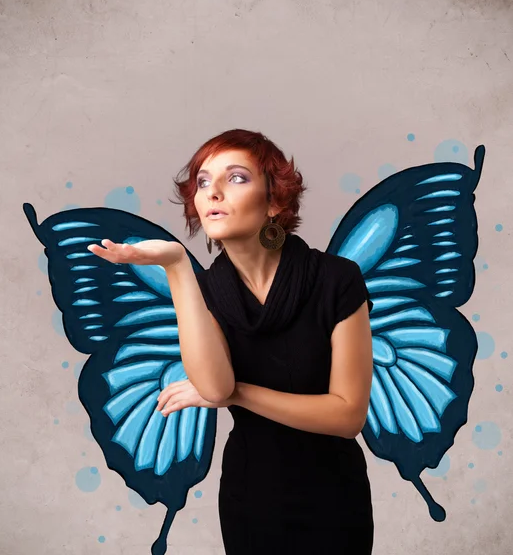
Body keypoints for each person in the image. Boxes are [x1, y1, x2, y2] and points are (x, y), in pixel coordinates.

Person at [87, 129, 374, 554]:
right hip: (251, 495)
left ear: (274, 201)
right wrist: (178, 267)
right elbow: (214, 387)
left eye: (236, 178)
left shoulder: (336, 279)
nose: (213, 193)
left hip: (333, 496)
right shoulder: (205, 290)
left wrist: (239, 394)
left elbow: (347, 416)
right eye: (204, 182)